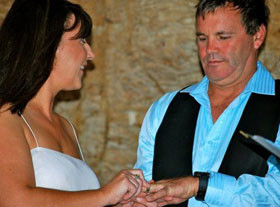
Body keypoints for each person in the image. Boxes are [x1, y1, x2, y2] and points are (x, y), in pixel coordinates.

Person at [0, 0, 149, 206]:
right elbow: (14, 200)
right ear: (49, 46)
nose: (90, 54)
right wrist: (104, 195)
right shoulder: (6, 118)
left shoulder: (66, 127)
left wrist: (118, 202)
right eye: (81, 41)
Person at [134, 0, 280, 206]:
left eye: (223, 37)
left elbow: (276, 193)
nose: (209, 49)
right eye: (202, 38)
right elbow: (145, 188)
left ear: (257, 35)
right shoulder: (165, 108)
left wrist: (201, 186)